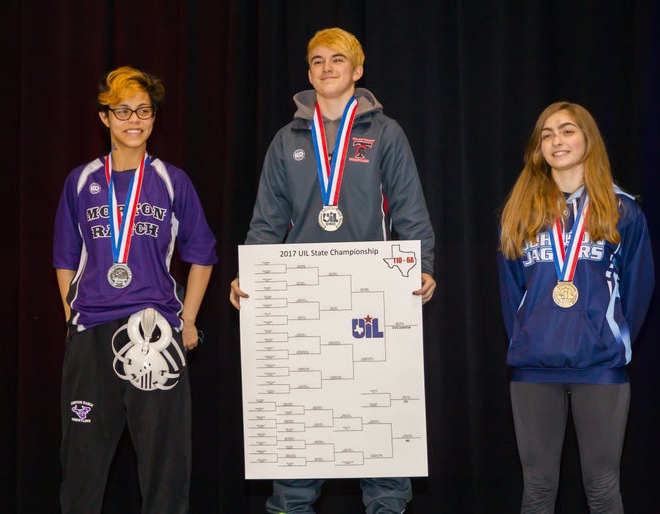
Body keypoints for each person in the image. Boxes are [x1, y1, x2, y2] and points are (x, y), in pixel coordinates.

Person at [229, 27, 436, 514]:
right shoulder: (287, 140)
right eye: (317, 61)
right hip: (303, 305)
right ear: (308, 73)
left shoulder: (386, 133)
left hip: (372, 304)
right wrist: (252, 278)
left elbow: (410, 213)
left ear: (357, 70)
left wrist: (421, 266)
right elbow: (266, 222)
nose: (326, 68)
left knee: (377, 429)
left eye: (337, 60)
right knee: (300, 430)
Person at [53, 65, 217, 513]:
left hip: (155, 331)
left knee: (166, 464)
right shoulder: (81, 181)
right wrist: (73, 317)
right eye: (122, 110)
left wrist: (187, 320)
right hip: (91, 334)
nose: (133, 120)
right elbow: (65, 258)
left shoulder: (171, 181)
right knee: (82, 463)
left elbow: (202, 254)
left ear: (153, 118)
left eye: (143, 110)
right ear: (104, 117)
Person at [497, 101, 654, 513]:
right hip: (534, 368)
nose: (556, 140)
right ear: (538, 148)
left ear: (587, 139)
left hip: (600, 368)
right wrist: (532, 334)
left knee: (602, 489)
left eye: (567, 131)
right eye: (547, 134)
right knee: (537, 489)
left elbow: (639, 290)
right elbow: (511, 292)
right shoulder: (519, 211)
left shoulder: (623, 210)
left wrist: (605, 337)